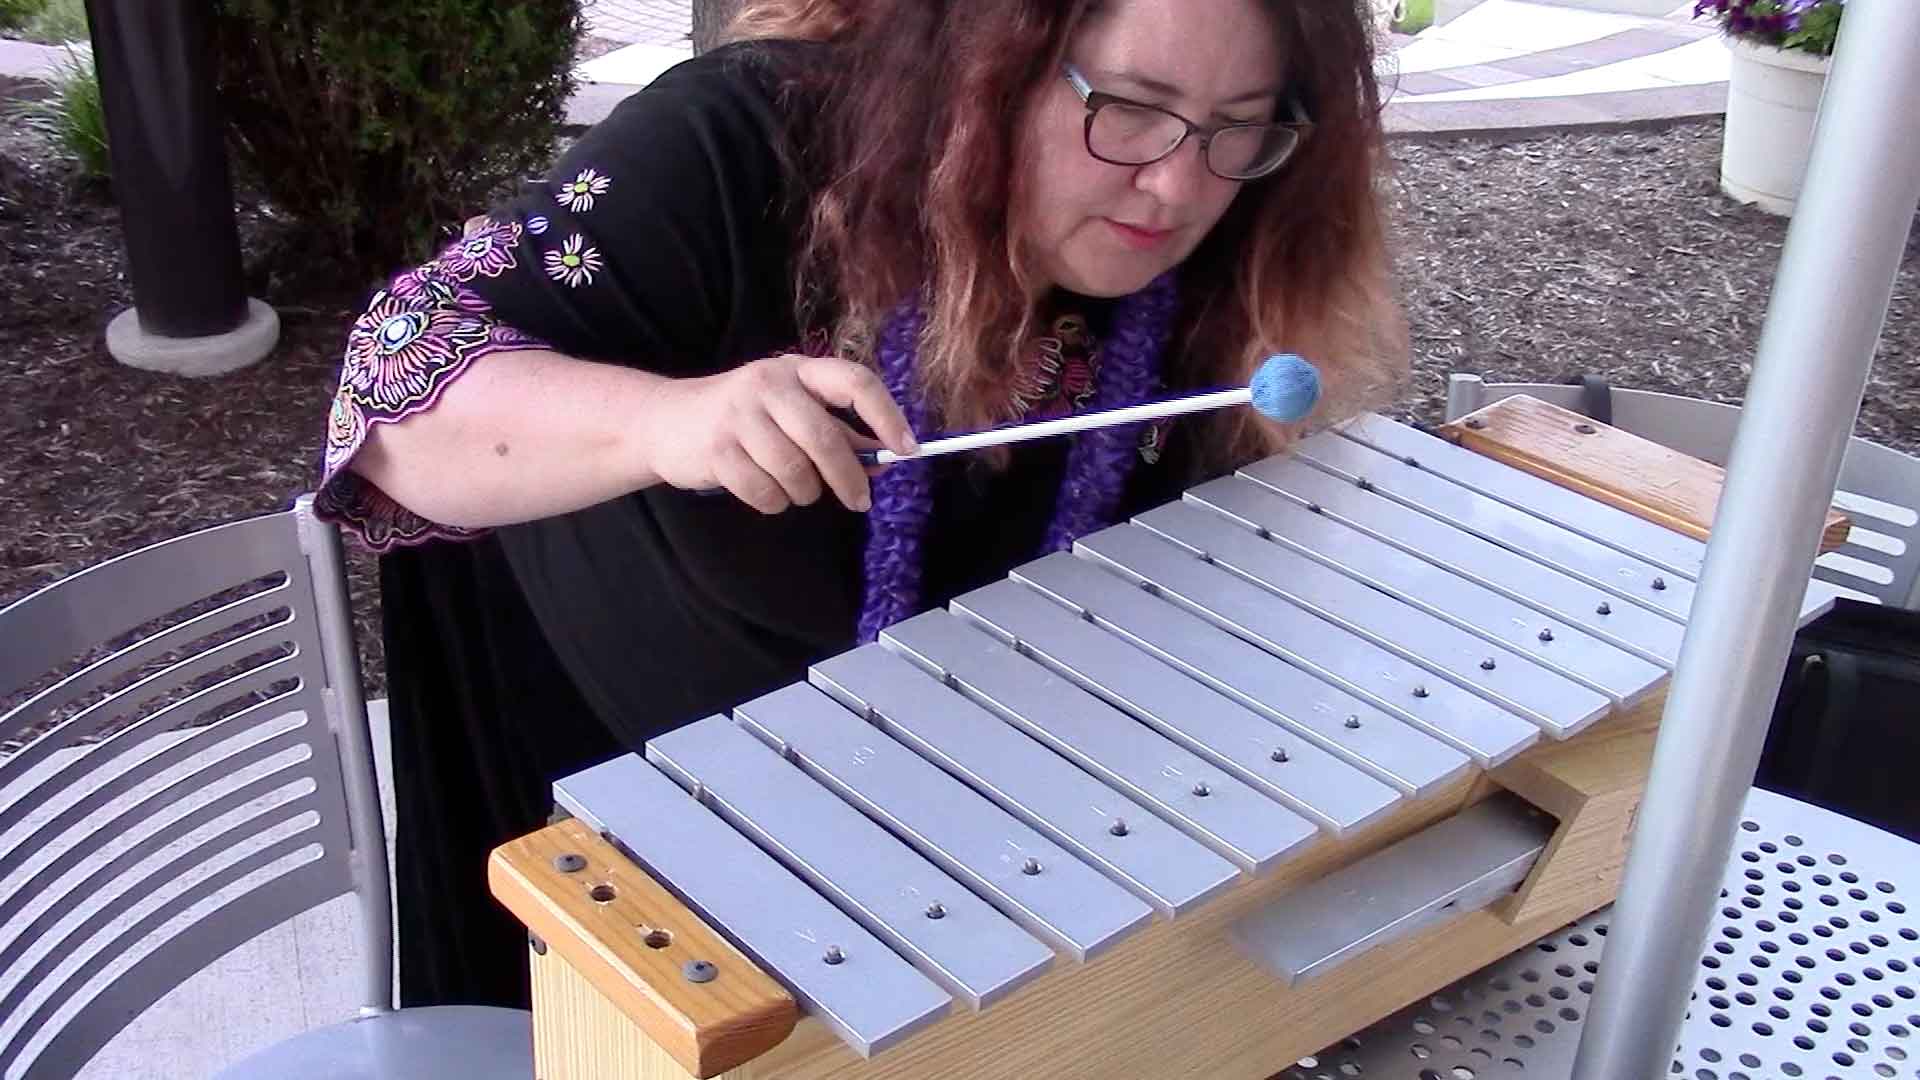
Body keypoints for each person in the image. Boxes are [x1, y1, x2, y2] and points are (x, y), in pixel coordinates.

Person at [314, 0, 1408, 1011]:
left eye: (1236, 127)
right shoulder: (744, 144)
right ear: (995, 57)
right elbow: (390, 398)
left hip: (959, 812)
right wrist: (666, 422)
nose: (1176, 188)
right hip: (620, 808)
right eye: (1129, 110)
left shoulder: (1238, 246)